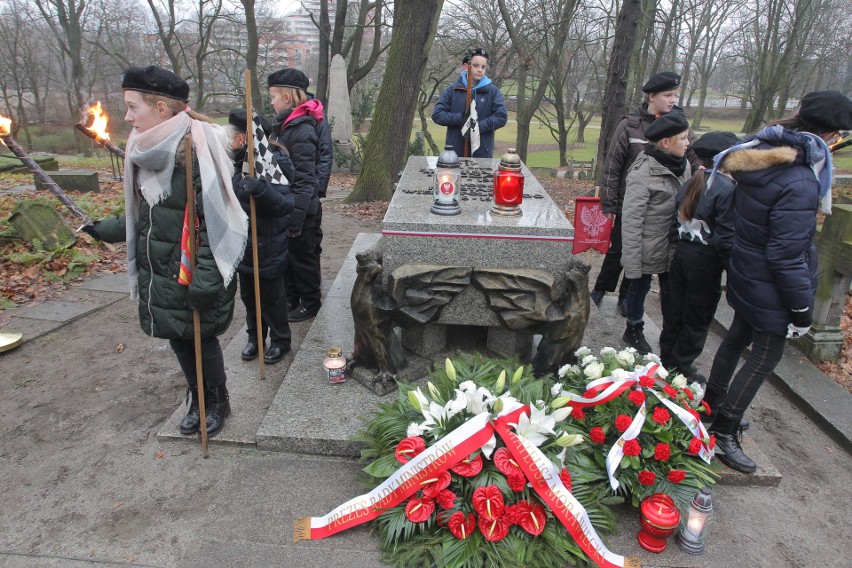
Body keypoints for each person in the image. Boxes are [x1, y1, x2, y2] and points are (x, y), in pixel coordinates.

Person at [82, 66, 248, 437]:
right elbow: (146, 210)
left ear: (160, 107)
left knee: (201, 338)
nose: (126, 117)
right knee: (178, 336)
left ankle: (216, 399)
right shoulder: (144, 148)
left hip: (194, 269)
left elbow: (217, 220)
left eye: (131, 107)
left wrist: (206, 280)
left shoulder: (196, 150)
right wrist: (105, 229)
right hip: (160, 266)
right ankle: (196, 394)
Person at [703, 91, 852, 473]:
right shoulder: (800, 180)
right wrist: (802, 309)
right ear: (830, 136)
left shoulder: (764, 160)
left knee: (736, 339)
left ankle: (711, 406)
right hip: (769, 282)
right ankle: (723, 429)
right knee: (764, 358)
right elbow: (786, 254)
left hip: (748, 271)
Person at [593, 72, 699, 315]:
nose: (673, 100)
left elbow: (693, 159)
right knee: (619, 250)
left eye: (675, 95)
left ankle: (626, 299)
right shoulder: (630, 125)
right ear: (652, 96)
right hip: (629, 202)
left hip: (663, 208)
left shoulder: (679, 125)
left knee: (644, 259)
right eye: (667, 95)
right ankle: (600, 289)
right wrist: (609, 204)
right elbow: (612, 167)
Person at [658, 131, 740, 383]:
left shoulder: (692, 182)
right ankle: (682, 365)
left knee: (676, 309)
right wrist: (732, 270)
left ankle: (667, 358)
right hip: (705, 261)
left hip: (683, 255)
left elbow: (674, 225)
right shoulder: (726, 189)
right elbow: (726, 237)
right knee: (698, 314)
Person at [620, 112, 693, 354]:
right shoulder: (642, 173)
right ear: (665, 143)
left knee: (672, 295)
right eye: (683, 138)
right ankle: (633, 328)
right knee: (638, 288)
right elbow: (631, 221)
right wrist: (631, 263)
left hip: (674, 245)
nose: (688, 143)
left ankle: (670, 336)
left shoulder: (685, 166)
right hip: (646, 246)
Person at [227, 109, 295, 365]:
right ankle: (255, 337)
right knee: (249, 297)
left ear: (245, 138)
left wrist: (261, 190)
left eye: (231, 138)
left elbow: (285, 204)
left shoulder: (274, 162)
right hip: (243, 244)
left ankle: (280, 340)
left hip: (268, 244)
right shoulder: (233, 162)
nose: (227, 143)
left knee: (272, 298)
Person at [267, 68, 324, 323]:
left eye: (274, 97)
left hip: (301, 210)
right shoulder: (285, 126)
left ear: (287, 98)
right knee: (289, 258)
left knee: (303, 259)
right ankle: (292, 298)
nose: (271, 102)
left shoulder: (301, 131)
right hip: (287, 206)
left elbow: (305, 180)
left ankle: (310, 302)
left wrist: (296, 218)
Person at [431, 47, 508, 158]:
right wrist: (461, 118)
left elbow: (501, 117)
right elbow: (437, 114)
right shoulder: (452, 90)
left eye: (483, 67)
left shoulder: (492, 91)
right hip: (455, 154)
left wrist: (477, 127)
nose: (480, 70)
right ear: (466, 67)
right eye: (476, 66)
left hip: (482, 154)